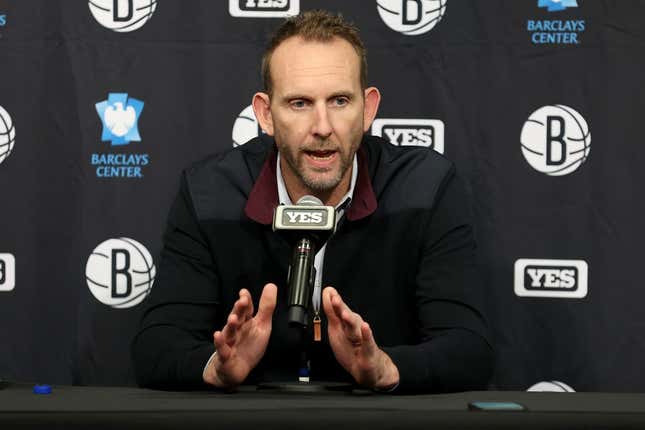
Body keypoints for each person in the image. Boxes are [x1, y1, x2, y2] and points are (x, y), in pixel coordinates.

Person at [132, 10, 494, 393]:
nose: (322, 127)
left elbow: (469, 348)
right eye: (299, 103)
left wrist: (385, 368)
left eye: (339, 101)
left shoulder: (425, 187)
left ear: (368, 109)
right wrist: (214, 368)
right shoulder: (211, 192)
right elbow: (156, 345)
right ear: (266, 114)